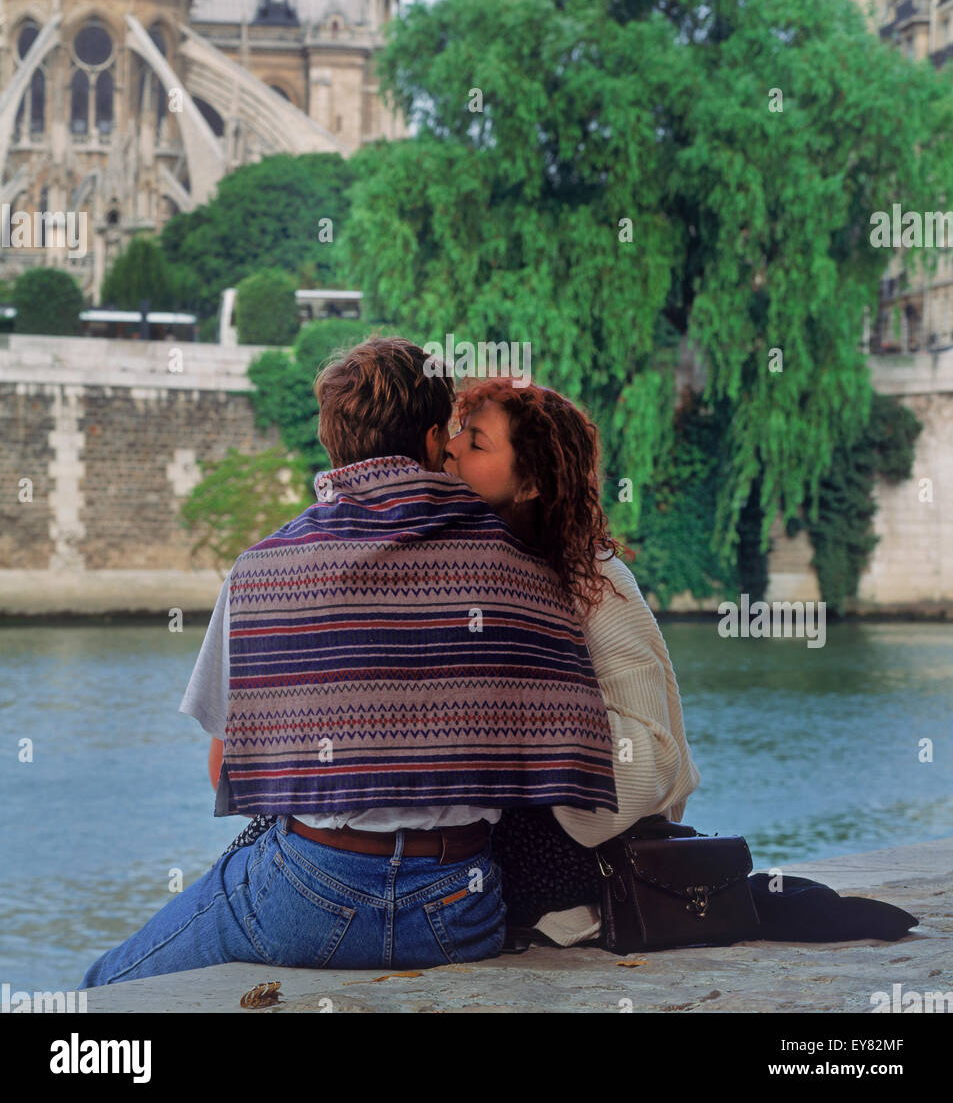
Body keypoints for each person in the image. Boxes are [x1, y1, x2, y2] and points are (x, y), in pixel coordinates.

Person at [79, 338, 616, 985]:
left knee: (99, 990)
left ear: (333, 444)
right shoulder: (522, 569)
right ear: (429, 441)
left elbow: (226, 767)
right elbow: (557, 757)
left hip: (306, 895)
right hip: (461, 906)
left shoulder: (263, 569)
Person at [442, 376, 700, 947]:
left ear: (531, 482)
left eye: (477, 442)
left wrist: (535, 701)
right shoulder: (474, 561)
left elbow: (657, 757)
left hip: (574, 851)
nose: (452, 446)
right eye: (458, 430)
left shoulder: (596, 579)